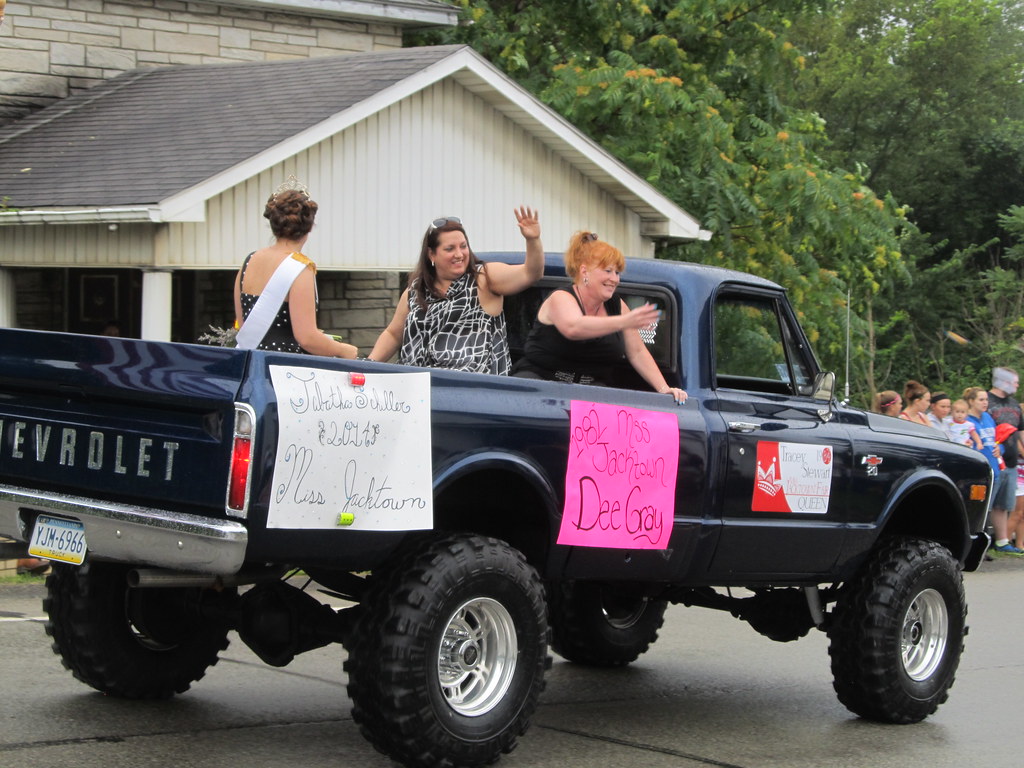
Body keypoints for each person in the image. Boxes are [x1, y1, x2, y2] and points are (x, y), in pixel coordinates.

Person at [511, 231, 687, 404]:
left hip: (589, 391)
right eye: (608, 271)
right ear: (584, 271)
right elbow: (574, 328)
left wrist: (664, 389)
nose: (614, 279)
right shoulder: (561, 298)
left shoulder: (617, 306)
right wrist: (623, 322)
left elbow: (637, 352)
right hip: (538, 387)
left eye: (617, 273)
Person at [370, 208, 543, 374]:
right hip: (419, 390)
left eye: (463, 246)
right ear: (431, 254)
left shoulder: (484, 278)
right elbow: (393, 335)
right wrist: (368, 367)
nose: (459, 254)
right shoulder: (416, 290)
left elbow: (530, 274)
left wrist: (532, 240)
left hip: (472, 390)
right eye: (450, 248)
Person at [233, 179, 357, 358]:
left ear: (273, 223)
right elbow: (306, 338)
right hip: (283, 369)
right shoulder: (300, 269)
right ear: (309, 226)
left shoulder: (249, 261)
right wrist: (345, 350)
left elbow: (243, 325)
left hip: (250, 363)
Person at [964, 386, 1021, 554]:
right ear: (971, 401)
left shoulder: (988, 417)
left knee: (1000, 506)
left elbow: (997, 440)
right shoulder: (967, 421)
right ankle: (977, 544)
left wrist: (1000, 450)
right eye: (981, 400)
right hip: (981, 470)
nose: (985, 403)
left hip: (996, 468)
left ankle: (1002, 541)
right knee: (983, 508)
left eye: (986, 400)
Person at [988, 367, 1023, 551]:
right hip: (992, 461)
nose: (1017, 385)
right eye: (1015, 381)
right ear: (1004, 381)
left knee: (1003, 504)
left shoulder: (1015, 405)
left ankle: (1002, 541)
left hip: (1010, 463)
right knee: (987, 503)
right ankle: (981, 542)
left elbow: (1020, 433)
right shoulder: (986, 400)